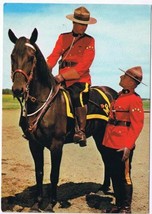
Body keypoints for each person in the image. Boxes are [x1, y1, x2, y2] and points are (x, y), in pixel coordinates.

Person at [47, 6, 97, 147]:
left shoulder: (90, 41)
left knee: (77, 96)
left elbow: (84, 66)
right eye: (81, 24)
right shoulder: (63, 37)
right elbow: (54, 56)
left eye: (85, 25)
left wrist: (62, 76)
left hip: (79, 80)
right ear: (74, 23)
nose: (84, 27)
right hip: (60, 78)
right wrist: (46, 69)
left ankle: (80, 131)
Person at [101, 66, 145, 213]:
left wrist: (128, 145)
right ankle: (119, 204)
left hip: (122, 144)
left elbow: (137, 125)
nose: (121, 78)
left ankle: (126, 208)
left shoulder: (135, 100)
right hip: (110, 142)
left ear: (131, 82)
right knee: (114, 173)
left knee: (124, 176)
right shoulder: (120, 96)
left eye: (124, 76)